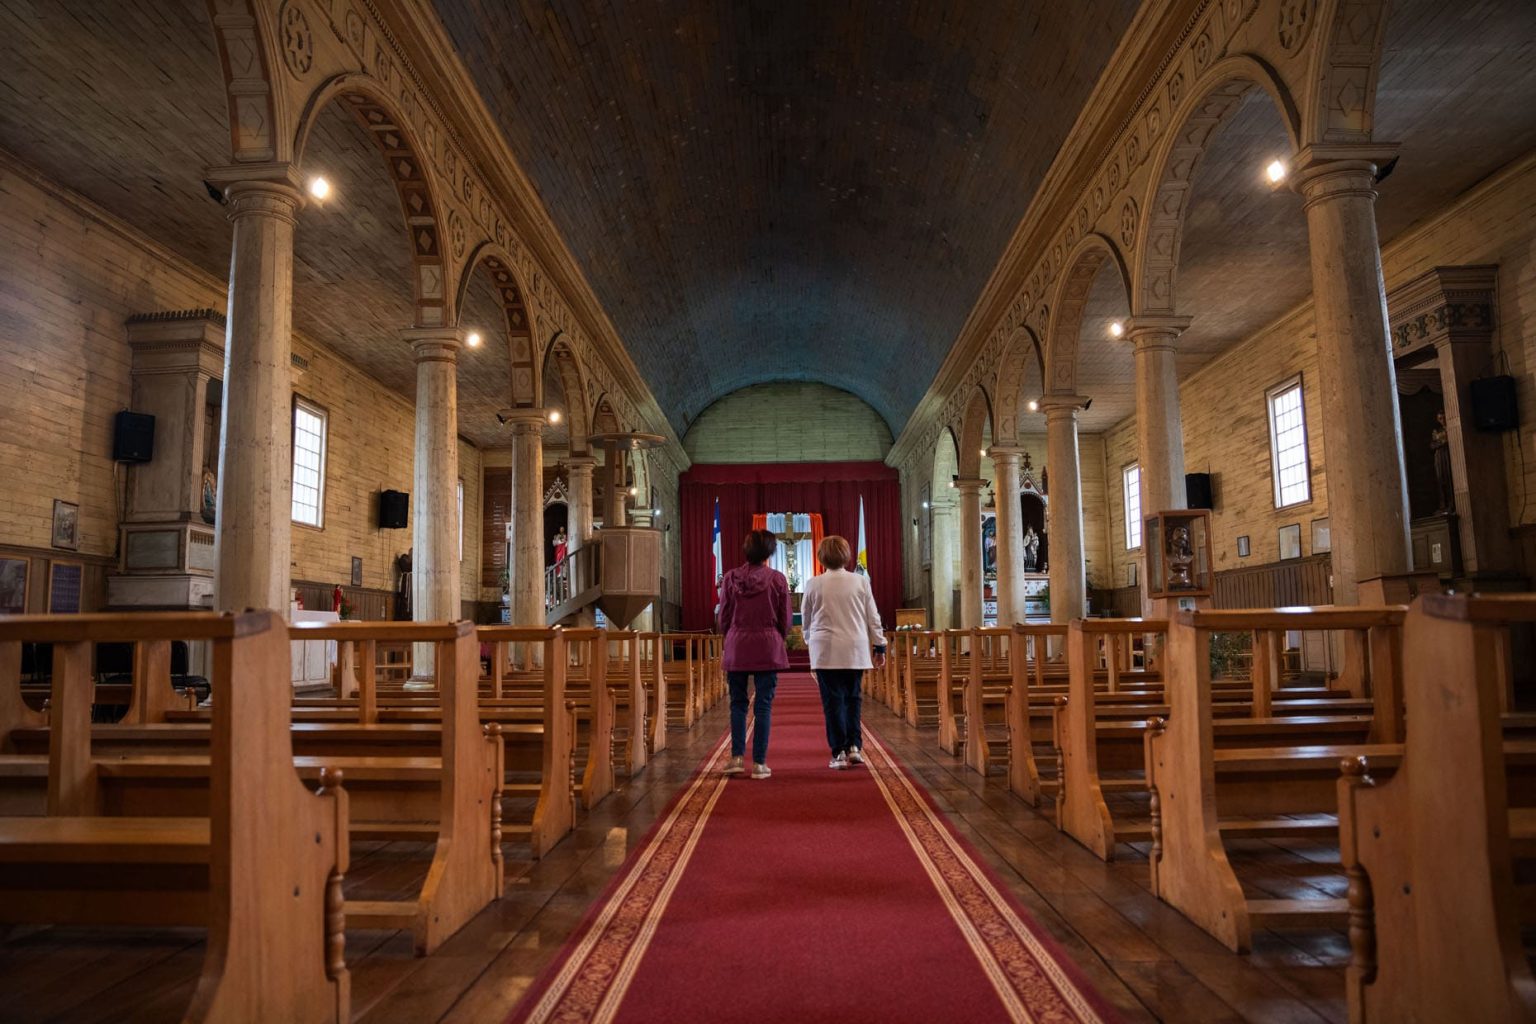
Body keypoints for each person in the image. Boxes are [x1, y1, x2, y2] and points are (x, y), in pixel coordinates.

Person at [801, 534, 885, 770]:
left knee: (833, 702)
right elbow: (873, 616)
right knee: (853, 699)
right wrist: (879, 645)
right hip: (854, 648)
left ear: (821, 557)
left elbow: (805, 618)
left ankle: (838, 751)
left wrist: (810, 640)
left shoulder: (813, 584)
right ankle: (854, 747)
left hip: (826, 649)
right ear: (847, 557)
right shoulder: (860, 582)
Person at [717, 528, 791, 779]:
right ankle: (759, 763)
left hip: (738, 644)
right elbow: (785, 619)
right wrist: (778, 636)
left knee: (737, 703)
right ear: (770, 551)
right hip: (767, 645)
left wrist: (730, 634)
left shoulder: (730, 578)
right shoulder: (778, 579)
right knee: (764, 705)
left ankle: (736, 757)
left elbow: (723, 615)